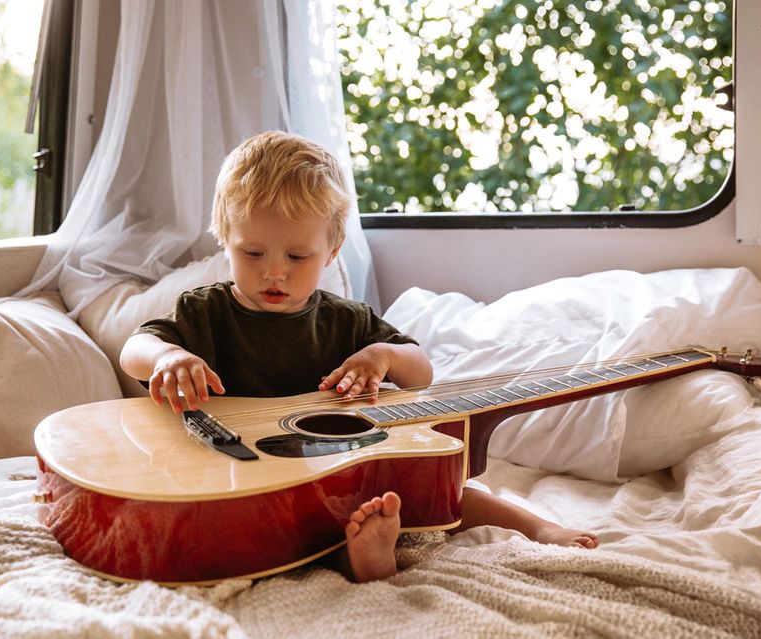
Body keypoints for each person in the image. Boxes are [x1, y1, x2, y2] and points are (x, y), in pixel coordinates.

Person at [119, 130, 598, 583]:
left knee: (444, 491)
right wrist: (165, 357)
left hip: (333, 480)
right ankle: (355, 551)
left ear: (331, 251)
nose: (274, 273)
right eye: (253, 253)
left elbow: (420, 372)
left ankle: (537, 530)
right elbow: (132, 350)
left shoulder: (346, 321)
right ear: (225, 238)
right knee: (242, 527)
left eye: (297, 257)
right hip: (234, 477)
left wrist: (382, 355)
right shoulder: (204, 312)